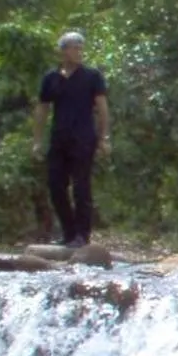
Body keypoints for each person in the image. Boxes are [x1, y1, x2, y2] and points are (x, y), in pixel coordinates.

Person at [33, 30, 110, 247]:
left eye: (80, 48)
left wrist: (104, 137)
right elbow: (42, 109)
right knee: (55, 185)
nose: (78, 52)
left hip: (84, 138)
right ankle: (68, 232)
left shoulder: (92, 76)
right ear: (63, 51)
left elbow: (102, 108)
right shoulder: (51, 78)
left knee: (81, 187)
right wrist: (37, 140)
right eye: (74, 48)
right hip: (59, 138)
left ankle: (82, 235)